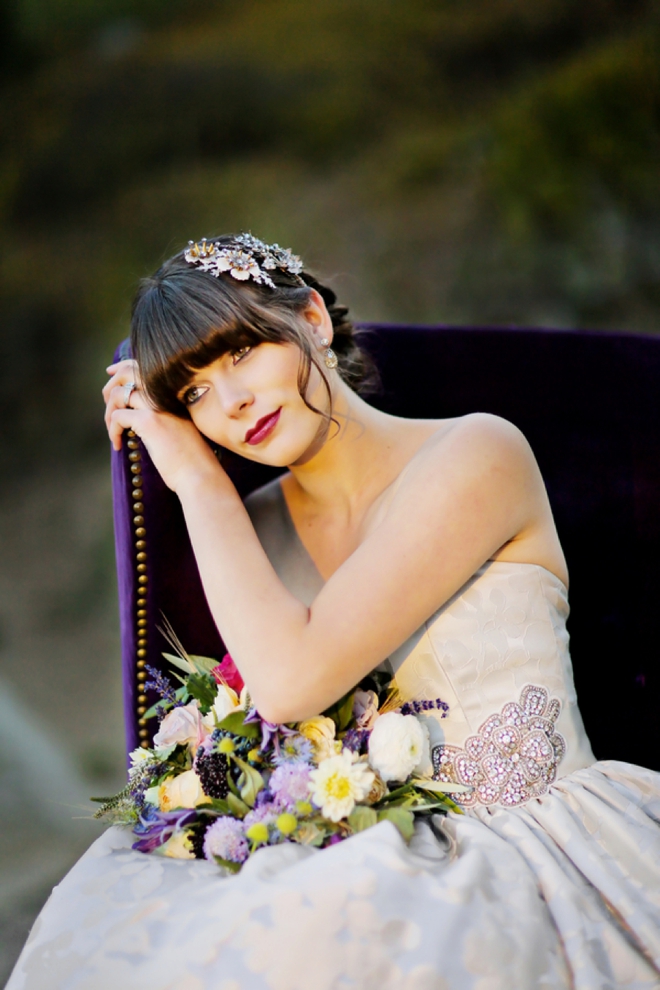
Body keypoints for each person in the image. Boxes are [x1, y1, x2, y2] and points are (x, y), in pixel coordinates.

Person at [8, 234, 660, 990]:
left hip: (542, 848)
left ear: (312, 319)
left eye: (244, 351)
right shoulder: (247, 536)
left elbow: (291, 684)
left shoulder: (476, 454)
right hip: (364, 855)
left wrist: (195, 480)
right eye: (192, 393)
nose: (232, 402)